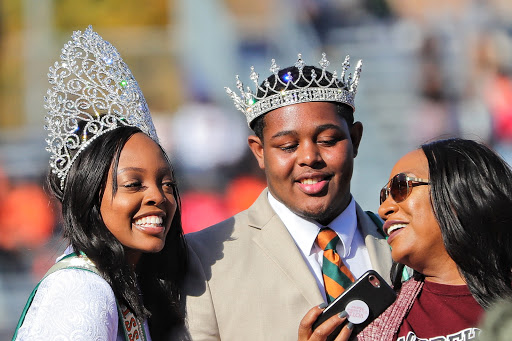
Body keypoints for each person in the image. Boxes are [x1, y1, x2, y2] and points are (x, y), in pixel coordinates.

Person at [178, 53, 392, 340]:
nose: (309, 157)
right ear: (259, 152)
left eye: (328, 140)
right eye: (288, 146)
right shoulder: (206, 258)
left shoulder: (400, 241)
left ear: (355, 139)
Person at [12, 26, 187, 341]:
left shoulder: (122, 282)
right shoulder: (82, 291)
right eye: (134, 184)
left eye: (167, 184)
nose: (158, 197)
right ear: (91, 196)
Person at [357, 138, 512, 341]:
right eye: (383, 196)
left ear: (458, 193)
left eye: (401, 187)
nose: (383, 209)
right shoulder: (376, 327)